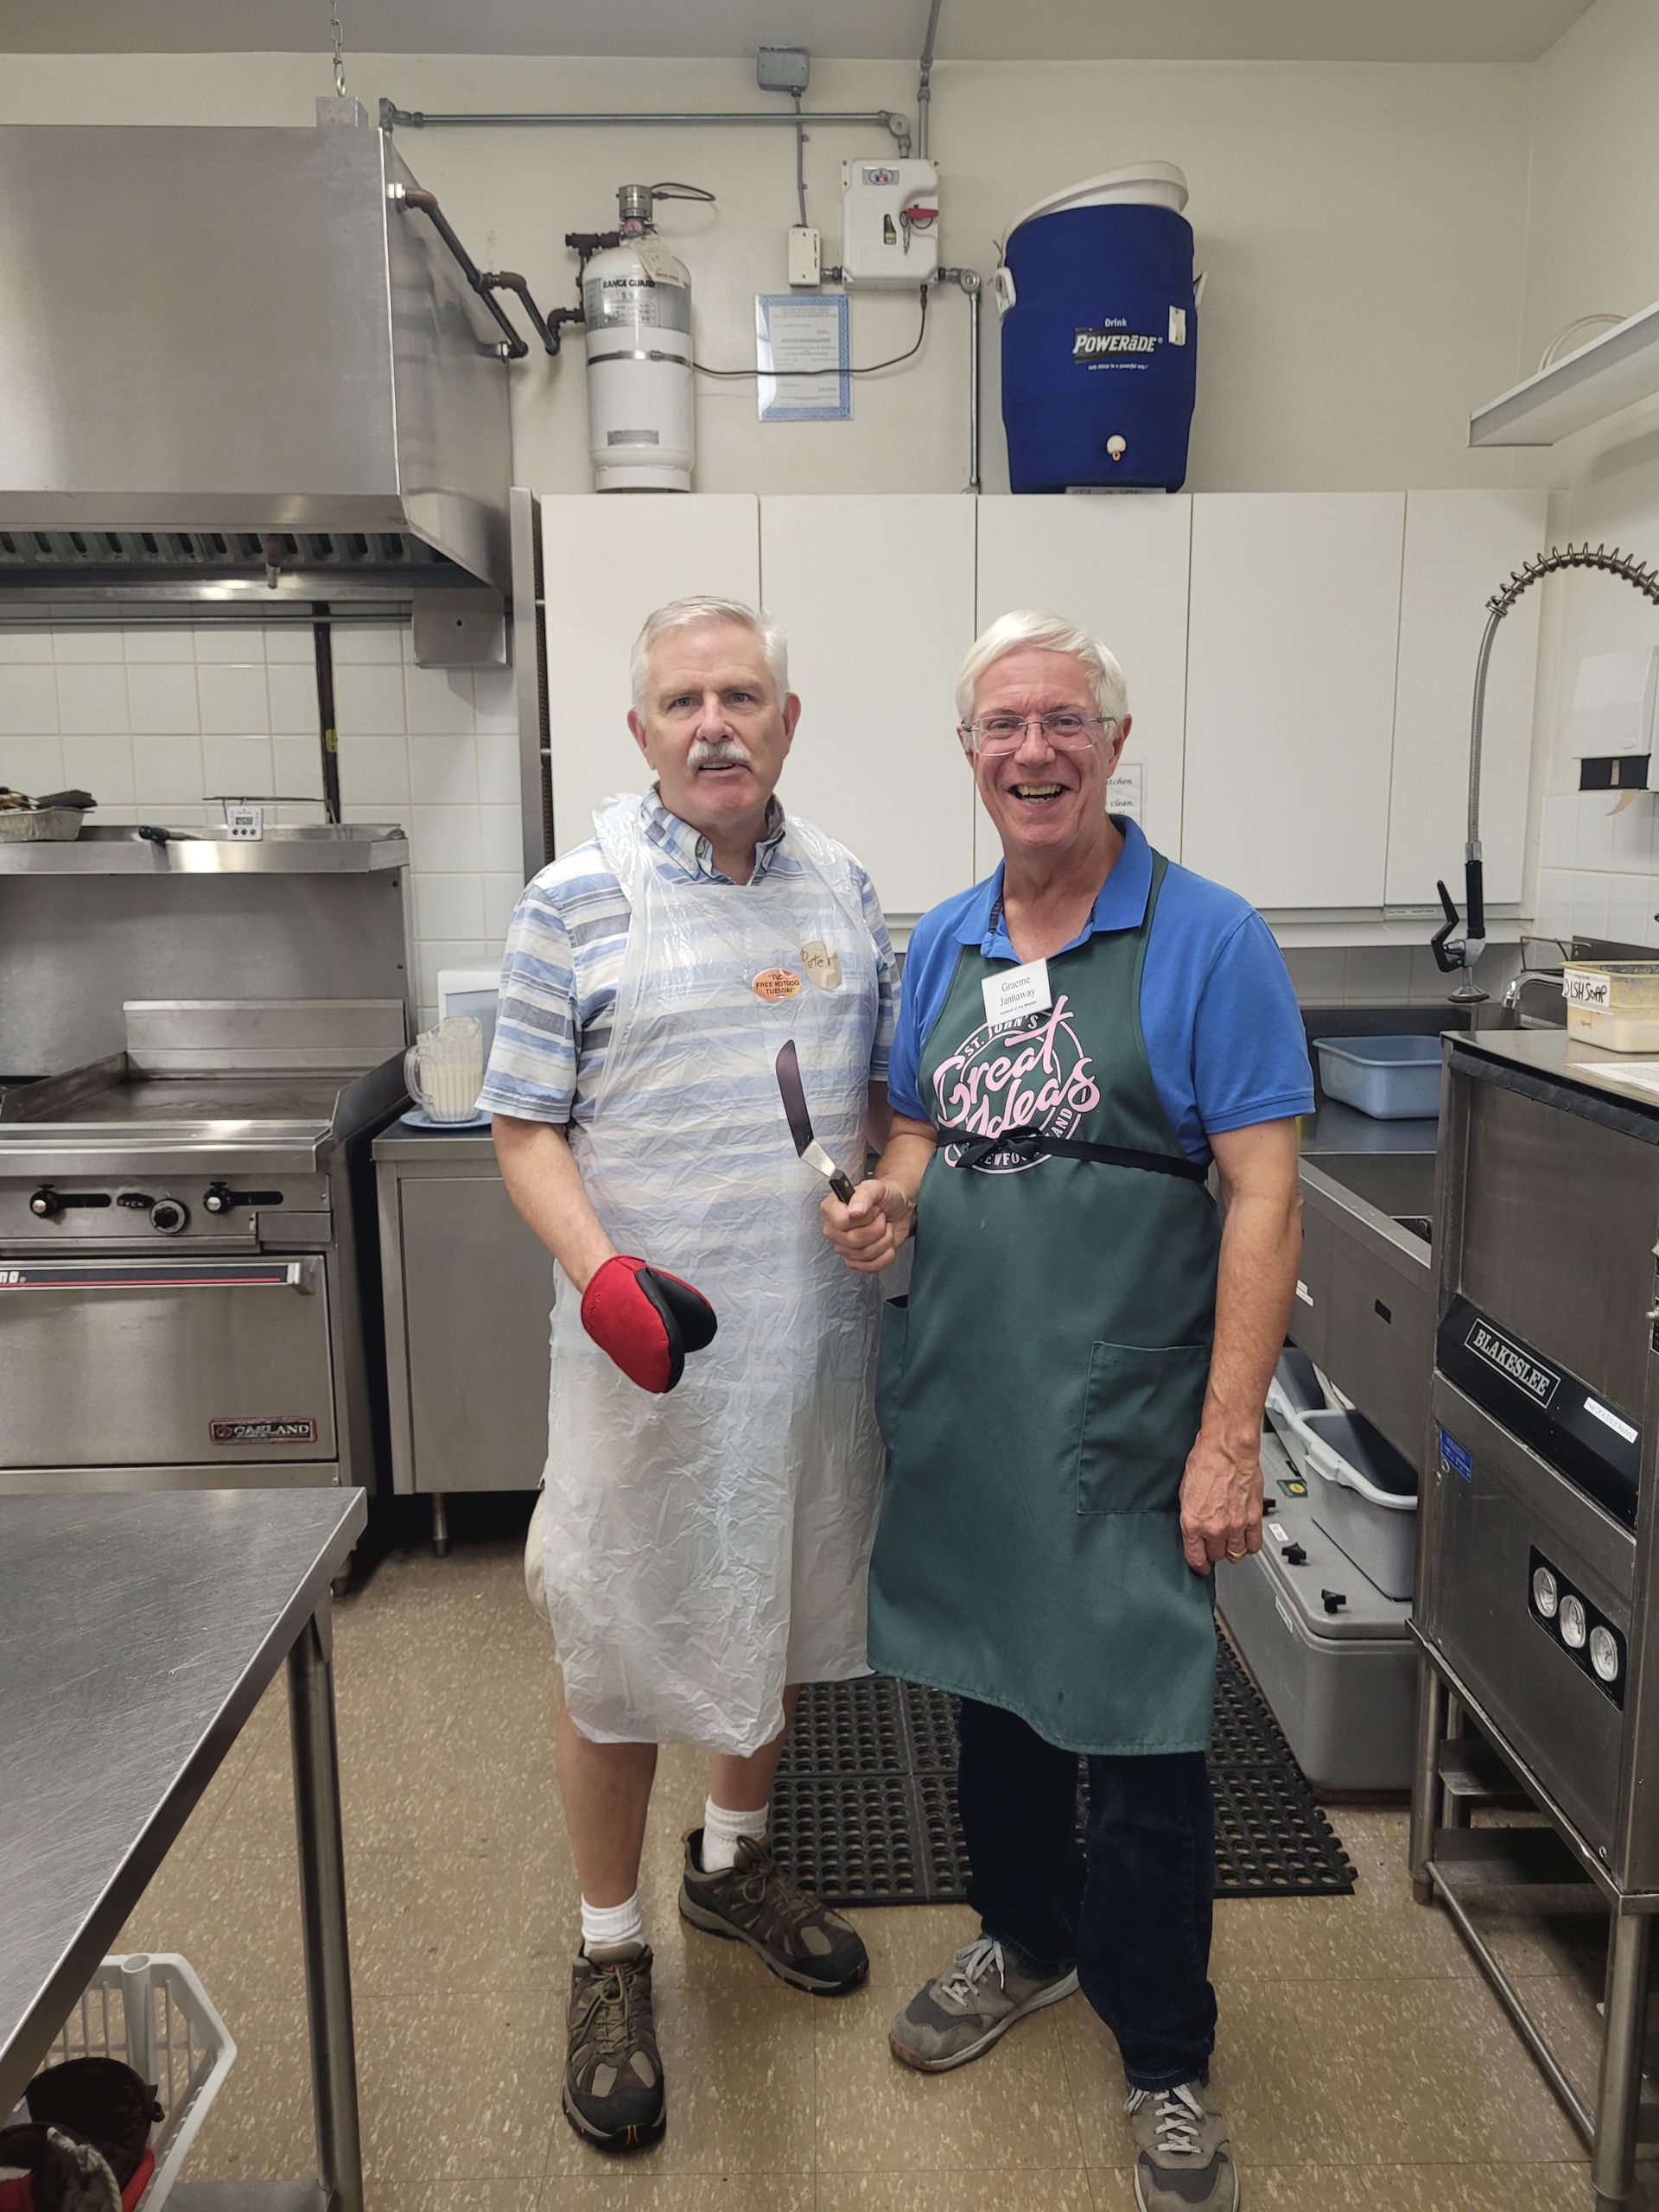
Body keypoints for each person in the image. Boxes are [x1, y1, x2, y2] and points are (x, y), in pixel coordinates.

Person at [822, 610, 1312, 2212]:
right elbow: (915, 1127)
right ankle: (1026, 1941)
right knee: (994, 1698)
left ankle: (1165, 2053)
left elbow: (1262, 1197)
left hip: (1126, 1407)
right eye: (1000, 728)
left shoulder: (1209, 940)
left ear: (1111, 745)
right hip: (971, 1395)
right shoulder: (950, 939)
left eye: (1062, 724)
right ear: (967, 755)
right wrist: (889, 1201)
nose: (1032, 753)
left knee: (1148, 1732)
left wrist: (1230, 1433)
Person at [481, 595, 895, 2153]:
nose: (714, 723)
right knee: (615, 1647)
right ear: (641, 732)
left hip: (802, 1350)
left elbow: (882, 1105)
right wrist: (605, 1277)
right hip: (640, 1362)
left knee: (765, 1602)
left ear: (789, 719)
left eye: (742, 695)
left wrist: (883, 1195)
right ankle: (606, 1950)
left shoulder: (848, 889)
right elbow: (523, 1130)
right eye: (682, 702)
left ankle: (732, 1865)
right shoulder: (570, 901)